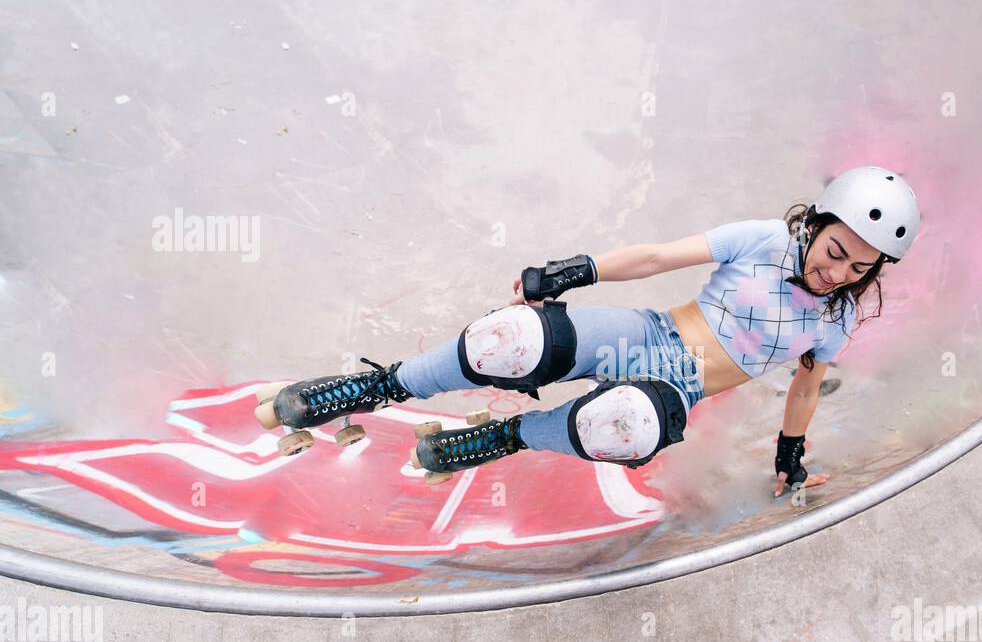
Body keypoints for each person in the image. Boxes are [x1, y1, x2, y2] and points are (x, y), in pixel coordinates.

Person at [254, 166, 919, 496]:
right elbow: (659, 256)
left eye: (860, 269)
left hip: (674, 386)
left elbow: (807, 385)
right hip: (648, 333)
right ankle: (374, 387)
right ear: (815, 225)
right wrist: (576, 271)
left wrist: (790, 453)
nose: (840, 274)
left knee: (624, 425)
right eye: (836, 252)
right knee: (510, 341)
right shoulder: (764, 239)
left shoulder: (837, 318)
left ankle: (502, 436)